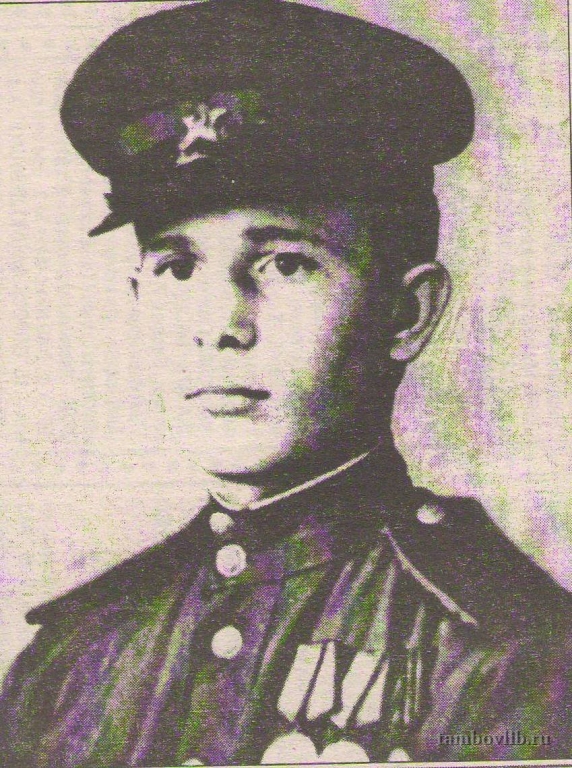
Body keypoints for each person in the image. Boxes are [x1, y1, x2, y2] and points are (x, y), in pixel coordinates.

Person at [1, 0, 571, 765]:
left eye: (286, 264)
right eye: (177, 267)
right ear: (138, 297)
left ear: (406, 313)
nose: (220, 326)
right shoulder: (73, 659)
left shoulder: (508, 653)